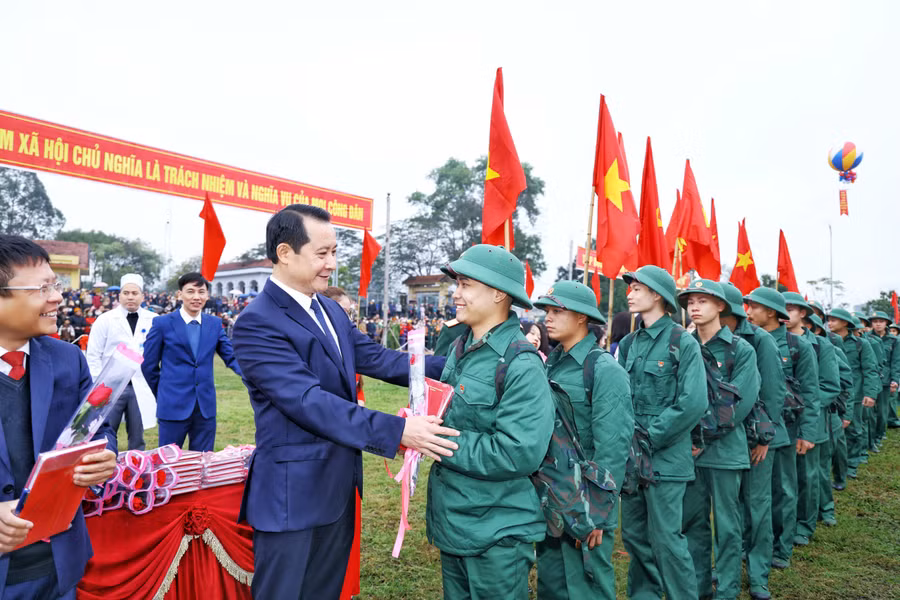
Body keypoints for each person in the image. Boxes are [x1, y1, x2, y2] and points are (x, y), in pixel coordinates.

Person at [231, 205, 458, 599]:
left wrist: (463, 364)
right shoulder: (258, 321)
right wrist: (398, 430)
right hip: (292, 498)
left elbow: (380, 360)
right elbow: (307, 401)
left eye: (334, 252)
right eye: (322, 254)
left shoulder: (329, 309)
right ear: (285, 253)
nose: (332, 265)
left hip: (337, 489)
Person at [425, 244, 553, 600]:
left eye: (466, 284)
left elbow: (518, 452)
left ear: (498, 293)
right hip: (458, 521)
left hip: (497, 531)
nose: (456, 293)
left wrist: (438, 440)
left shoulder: (521, 363)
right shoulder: (462, 347)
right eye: (458, 284)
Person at [0, 235, 117, 599]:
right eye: (42, 288)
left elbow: (99, 430)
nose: (57, 298)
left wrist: (103, 458)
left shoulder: (67, 359)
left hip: (57, 565)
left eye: (56, 285)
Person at [532, 280, 633, 600]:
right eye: (546, 311)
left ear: (581, 317)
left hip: (585, 500)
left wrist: (596, 513)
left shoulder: (604, 369)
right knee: (551, 584)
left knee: (587, 587)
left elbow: (613, 446)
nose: (548, 318)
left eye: (557, 311)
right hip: (551, 493)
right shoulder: (551, 363)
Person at [617, 265, 707, 600]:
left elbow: (692, 402)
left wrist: (648, 438)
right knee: (634, 536)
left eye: (637, 289)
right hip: (632, 459)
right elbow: (619, 397)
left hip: (665, 460)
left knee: (667, 540)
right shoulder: (628, 343)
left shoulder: (682, 342)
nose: (630, 294)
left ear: (657, 295)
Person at [677, 280, 760, 600]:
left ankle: (726, 590)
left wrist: (701, 437)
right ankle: (699, 589)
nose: (695, 307)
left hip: (724, 451)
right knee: (692, 523)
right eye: (691, 302)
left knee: (727, 526)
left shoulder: (740, 350)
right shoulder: (683, 345)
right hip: (688, 452)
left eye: (703, 301)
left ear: (721, 306)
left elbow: (741, 403)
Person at [743, 287, 818, 570]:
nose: (749, 312)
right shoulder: (747, 340)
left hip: (787, 427)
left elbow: (810, 393)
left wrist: (807, 433)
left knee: (783, 489)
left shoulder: (798, 346)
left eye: (755, 307)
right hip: (754, 428)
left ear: (772, 313)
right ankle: (750, 542)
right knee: (751, 492)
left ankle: (782, 547)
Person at [720, 283, 785, 600]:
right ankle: (727, 566)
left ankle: (759, 576)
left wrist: (764, 438)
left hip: (757, 437)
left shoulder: (761, 340)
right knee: (727, 509)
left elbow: (773, 392)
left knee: (757, 506)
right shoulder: (709, 339)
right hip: (725, 436)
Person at [141, 272, 243, 452]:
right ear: (180, 294)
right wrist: (164, 393)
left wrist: (255, 377)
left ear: (207, 295)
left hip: (205, 408)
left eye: (201, 292)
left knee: (204, 462)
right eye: (190, 291)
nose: (196, 297)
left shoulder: (214, 324)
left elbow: (232, 357)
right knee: (169, 462)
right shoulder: (162, 324)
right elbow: (148, 366)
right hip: (172, 407)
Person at [783, 292, 839, 547]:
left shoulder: (819, 345)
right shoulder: (770, 341)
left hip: (810, 418)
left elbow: (829, 386)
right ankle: (784, 522)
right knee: (784, 477)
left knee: (807, 475)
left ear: (803, 313)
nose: (784, 314)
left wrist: (803, 405)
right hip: (780, 421)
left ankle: (804, 524)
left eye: (790, 309)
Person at [320, 286, 365, 600]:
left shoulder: (347, 337)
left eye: (350, 313)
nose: (348, 319)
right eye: (344, 312)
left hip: (350, 447)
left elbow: (378, 362)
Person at [85, 273, 157, 451]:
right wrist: (98, 385)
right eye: (126, 293)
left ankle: (136, 464)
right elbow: (93, 355)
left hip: (141, 383)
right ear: (119, 296)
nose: (130, 297)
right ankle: (107, 464)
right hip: (111, 386)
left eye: (135, 293)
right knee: (106, 432)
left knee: (137, 435)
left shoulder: (154, 320)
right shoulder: (105, 320)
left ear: (142, 296)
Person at [867, 311, 898, 451]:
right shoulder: (866, 338)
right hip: (870, 378)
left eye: (881, 321)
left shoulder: (893, 340)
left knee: (882, 411)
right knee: (869, 412)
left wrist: (895, 380)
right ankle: (870, 438)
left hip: (885, 379)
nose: (878, 324)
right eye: (875, 321)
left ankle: (879, 436)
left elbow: (896, 362)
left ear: (886, 323)